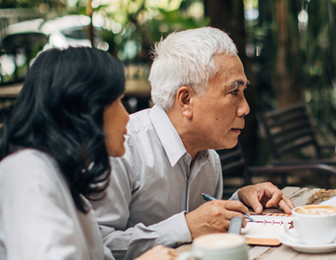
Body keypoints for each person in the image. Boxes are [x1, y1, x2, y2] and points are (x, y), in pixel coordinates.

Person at [91, 27, 295, 260]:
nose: (245, 108)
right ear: (186, 100)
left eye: (243, 92)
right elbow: (98, 247)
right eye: (234, 92)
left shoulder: (209, 157)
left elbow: (204, 225)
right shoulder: (122, 147)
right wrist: (185, 227)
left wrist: (239, 200)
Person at [0, 47, 178, 260]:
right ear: (85, 109)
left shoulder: (67, 180)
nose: (126, 116)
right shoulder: (27, 172)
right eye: (117, 102)